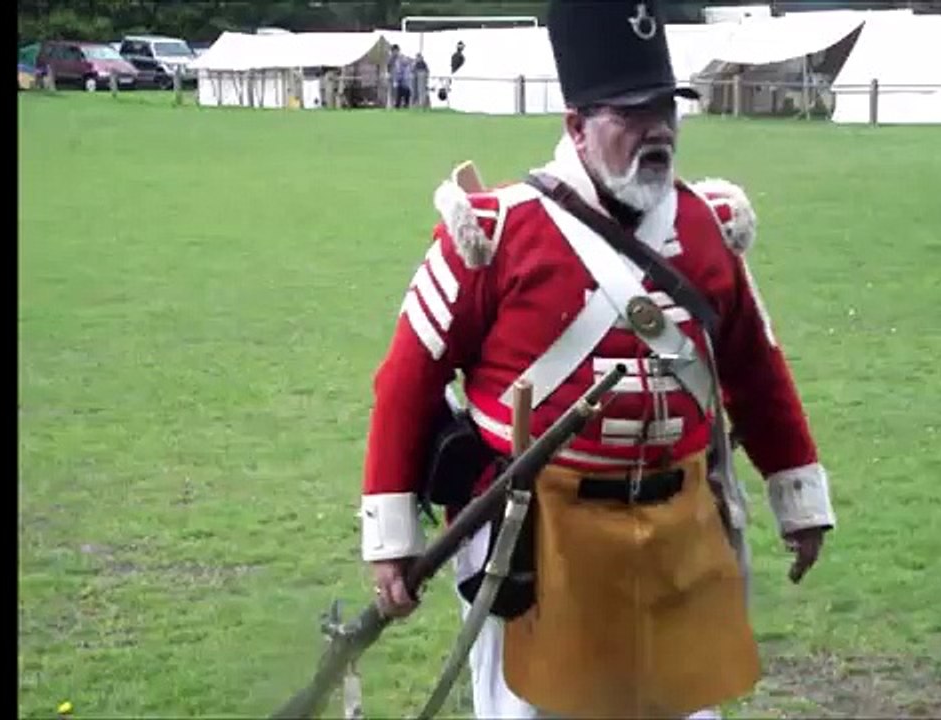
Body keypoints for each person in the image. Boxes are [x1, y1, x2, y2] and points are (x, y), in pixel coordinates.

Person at [357, 1, 836, 717]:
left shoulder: (708, 227)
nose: (658, 132)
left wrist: (798, 500)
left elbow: (755, 368)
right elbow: (407, 379)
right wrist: (391, 538)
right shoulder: (494, 231)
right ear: (576, 126)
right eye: (631, 114)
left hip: (678, 532)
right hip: (536, 542)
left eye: (665, 111)